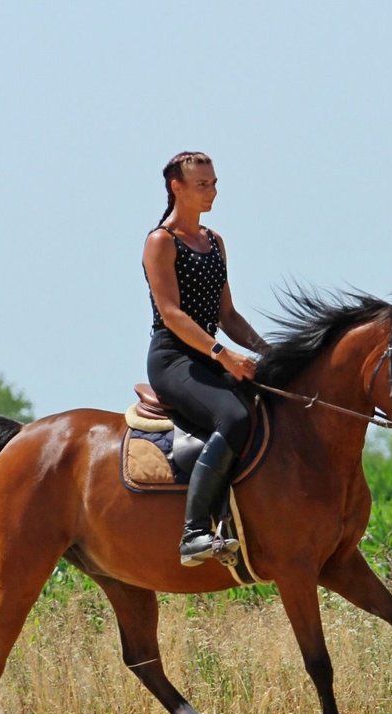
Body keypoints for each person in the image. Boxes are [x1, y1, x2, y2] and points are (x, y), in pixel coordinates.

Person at [142, 151, 269, 566]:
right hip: (173, 360)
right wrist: (222, 353)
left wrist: (270, 354)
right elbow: (171, 314)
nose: (211, 191)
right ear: (176, 187)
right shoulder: (161, 241)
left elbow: (227, 315)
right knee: (233, 417)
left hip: (211, 356)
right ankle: (194, 533)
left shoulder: (215, 242)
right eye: (202, 184)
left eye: (213, 183)